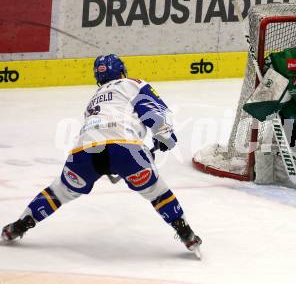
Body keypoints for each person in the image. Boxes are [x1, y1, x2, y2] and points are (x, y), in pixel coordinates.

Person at [1, 54, 202, 254]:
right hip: (127, 148)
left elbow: (102, 139)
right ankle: (185, 232)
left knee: (59, 191)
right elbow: (154, 110)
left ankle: (19, 225)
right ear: (122, 71)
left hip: (84, 152)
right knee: (156, 192)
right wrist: (164, 135)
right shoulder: (131, 83)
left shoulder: (93, 100)